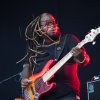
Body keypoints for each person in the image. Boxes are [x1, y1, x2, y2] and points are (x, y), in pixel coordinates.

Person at [20, 13, 90, 100]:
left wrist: (81, 57)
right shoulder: (35, 48)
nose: (52, 26)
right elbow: (27, 65)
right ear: (38, 28)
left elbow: (85, 60)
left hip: (66, 96)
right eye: (47, 23)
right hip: (40, 97)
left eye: (53, 22)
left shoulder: (68, 39)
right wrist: (24, 78)